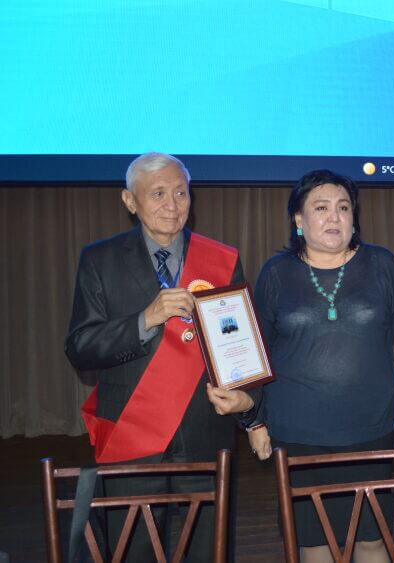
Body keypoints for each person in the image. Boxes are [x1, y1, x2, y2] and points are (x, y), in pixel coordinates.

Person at [65, 152, 261, 561]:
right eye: (157, 194)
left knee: (207, 547)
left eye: (180, 193)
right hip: (133, 431)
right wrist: (146, 319)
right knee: (133, 547)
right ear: (129, 200)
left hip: (205, 429)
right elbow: (81, 347)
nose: (172, 205)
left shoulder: (221, 259)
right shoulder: (99, 259)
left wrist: (250, 408)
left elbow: (239, 343)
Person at [247, 169, 394, 563]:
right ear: (298, 219)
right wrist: (255, 423)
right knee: (314, 542)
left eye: (343, 208)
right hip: (297, 435)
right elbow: (256, 353)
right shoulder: (276, 273)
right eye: (321, 208)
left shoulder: (382, 264)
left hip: (371, 431)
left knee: (372, 538)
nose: (334, 217)